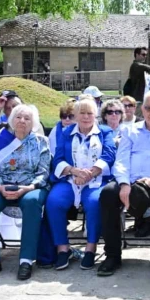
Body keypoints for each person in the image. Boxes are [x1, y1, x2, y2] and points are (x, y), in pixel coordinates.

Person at [98, 90, 150, 276]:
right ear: (142, 109)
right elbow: (121, 160)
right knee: (108, 194)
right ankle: (112, 256)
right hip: (130, 182)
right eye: (149, 108)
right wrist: (124, 184)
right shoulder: (130, 131)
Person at [0, 104, 51, 281]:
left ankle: (26, 260)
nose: (22, 121)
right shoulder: (1, 140)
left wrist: (29, 188)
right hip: (3, 185)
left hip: (30, 187)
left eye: (27, 118)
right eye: (18, 117)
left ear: (33, 122)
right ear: (12, 120)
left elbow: (43, 172)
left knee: (32, 201)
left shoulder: (41, 141)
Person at [46, 98, 116, 271]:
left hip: (95, 180)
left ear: (96, 115)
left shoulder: (105, 132)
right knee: (54, 201)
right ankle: (63, 249)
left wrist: (89, 174)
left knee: (94, 203)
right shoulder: (66, 133)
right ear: (76, 115)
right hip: (70, 179)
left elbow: (109, 155)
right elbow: (58, 159)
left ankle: (90, 248)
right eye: (82, 113)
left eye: (90, 113)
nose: (86, 117)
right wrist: (74, 171)